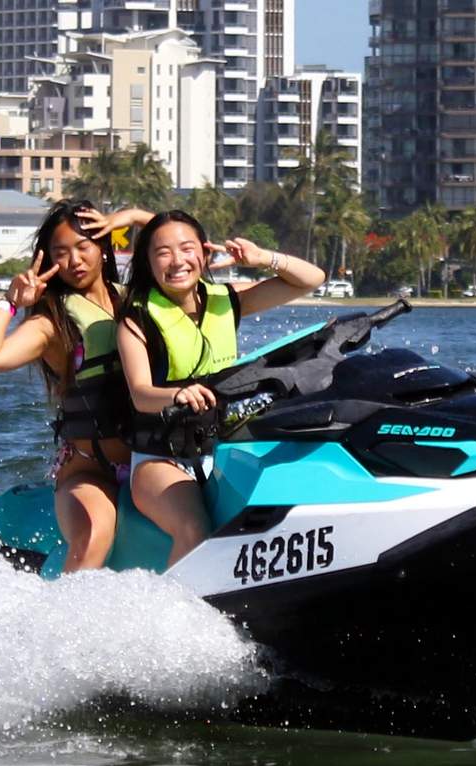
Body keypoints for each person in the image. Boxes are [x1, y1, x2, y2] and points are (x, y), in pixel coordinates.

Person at [116, 211, 325, 567]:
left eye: (186, 248)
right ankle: (175, 620)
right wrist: (176, 394)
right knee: (193, 528)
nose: (178, 260)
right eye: (163, 252)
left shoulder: (226, 300)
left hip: (222, 449)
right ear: (148, 263)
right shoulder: (135, 320)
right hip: (161, 459)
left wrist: (263, 259)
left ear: (205, 254)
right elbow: (140, 392)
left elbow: (311, 279)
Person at [0, 200, 152, 572]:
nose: (74, 261)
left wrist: (132, 217)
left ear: (104, 247)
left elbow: (184, 249)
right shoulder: (52, 323)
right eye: (61, 253)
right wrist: (10, 303)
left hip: (150, 460)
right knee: (96, 533)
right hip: (91, 471)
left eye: (83, 247)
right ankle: (61, 623)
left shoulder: (134, 298)